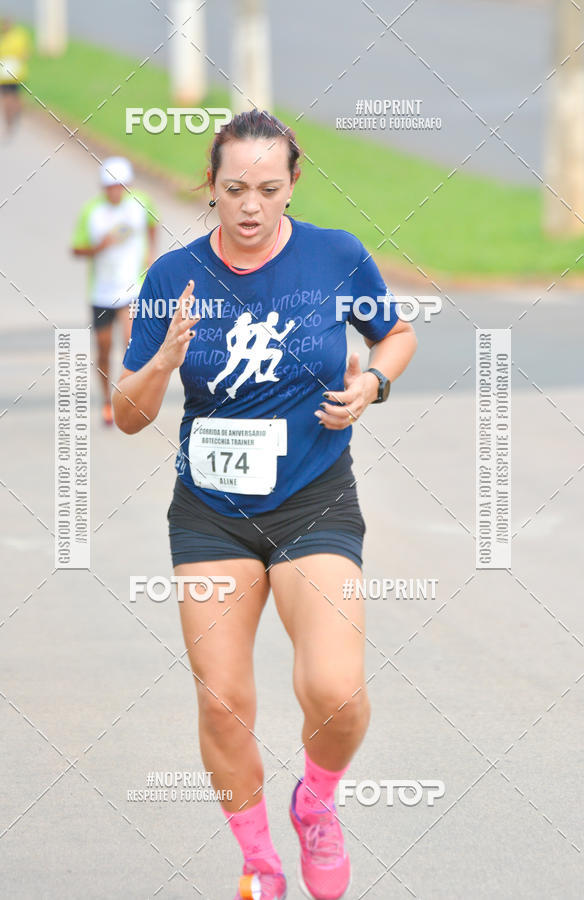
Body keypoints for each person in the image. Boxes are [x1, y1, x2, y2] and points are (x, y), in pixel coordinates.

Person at [113, 109, 417, 900]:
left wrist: (372, 383)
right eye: (235, 188)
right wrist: (163, 362)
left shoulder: (334, 257)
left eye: (269, 189)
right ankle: (259, 860)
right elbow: (129, 413)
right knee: (223, 701)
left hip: (313, 497)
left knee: (337, 692)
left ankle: (316, 804)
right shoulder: (172, 277)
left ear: (292, 187)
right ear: (210, 188)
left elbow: (396, 335)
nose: (251, 206)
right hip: (211, 512)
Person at [72, 157, 158, 425]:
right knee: (104, 347)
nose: (116, 191)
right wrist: (99, 247)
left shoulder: (141, 203)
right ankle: (106, 400)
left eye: (121, 186)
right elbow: (77, 248)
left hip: (132, 287)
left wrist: (151, 254)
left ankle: (129, 399)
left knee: (132, 342)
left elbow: (153, 226)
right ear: (103, 187)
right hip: (102, 291)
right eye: (111, 186)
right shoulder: (92, 212)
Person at [0, 17, 32, 138]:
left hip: (7, 75)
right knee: (11, 97)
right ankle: (13, 115)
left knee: (7, 98)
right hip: (12, 74)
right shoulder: (19, 37)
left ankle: (9, 120)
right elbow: (26, 54)